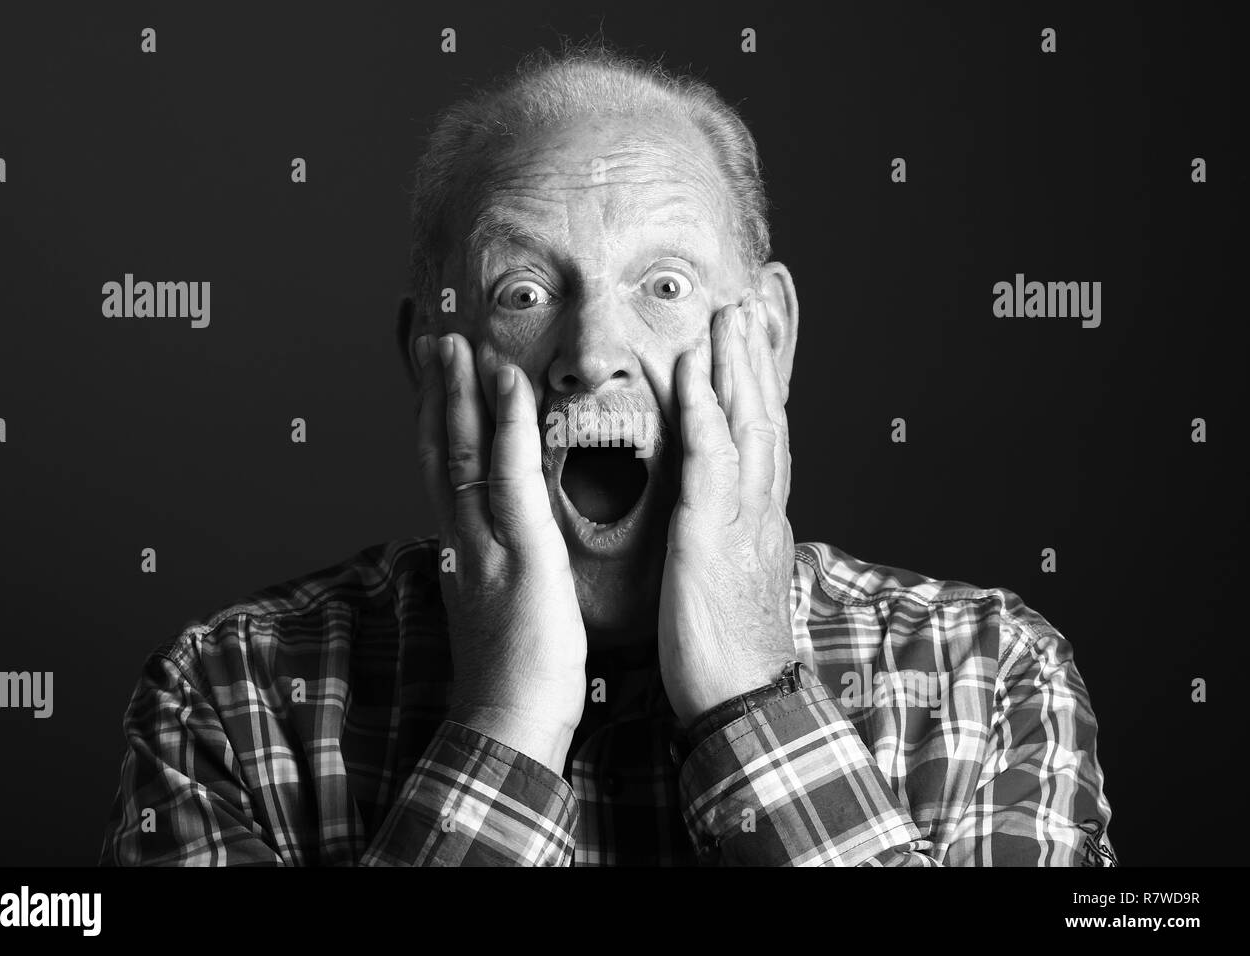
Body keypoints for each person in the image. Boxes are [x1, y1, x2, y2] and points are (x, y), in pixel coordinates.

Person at [99, 43, 1116, 867]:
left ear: (767, 338)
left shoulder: (986, 676)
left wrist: (752, 690)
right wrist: (504, 721)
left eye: (663, 287)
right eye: (524, 294)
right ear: (432, 358)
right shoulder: (231, 696)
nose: (590, 355)